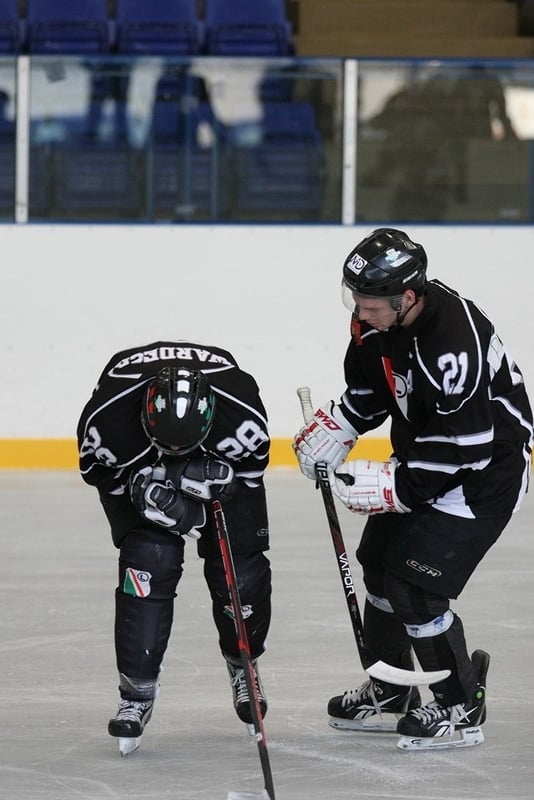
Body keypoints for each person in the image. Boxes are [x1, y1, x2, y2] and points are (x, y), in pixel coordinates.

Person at [293, 228, 533, 750]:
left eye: (370, 303)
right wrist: (338, 429)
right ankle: (391, 691)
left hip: (485, 475)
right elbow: (370, 392)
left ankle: (460, 707)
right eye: (353, 299)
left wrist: (398, 486)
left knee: (415, 587)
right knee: (379, 563)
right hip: (428, 457)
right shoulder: (371, 322)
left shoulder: (452, 340)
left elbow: (470, 445)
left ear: (407, 298)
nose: (359, 312)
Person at [77, 341, 271, 755]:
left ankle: (244, 662)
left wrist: (209, 499)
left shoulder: (243, 417)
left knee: (240, 569)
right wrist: (141, 487)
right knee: (148, 561)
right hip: (136, 473)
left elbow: (250, 475)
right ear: (144, 419)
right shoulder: (107, 422)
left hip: (216, 463)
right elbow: (97, 473)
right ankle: (136, 692)